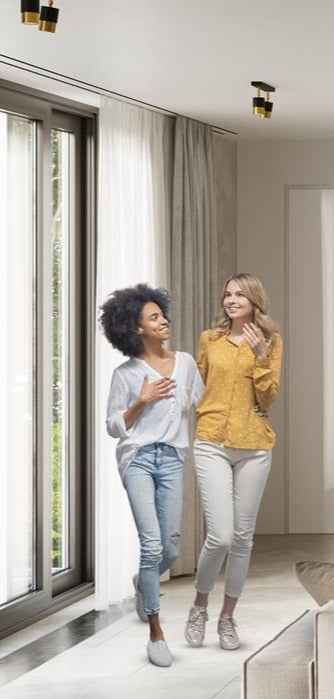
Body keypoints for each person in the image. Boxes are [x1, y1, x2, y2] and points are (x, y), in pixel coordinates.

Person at [100, 284, 203, 668]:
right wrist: (141, 402)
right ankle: (156, 633)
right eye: (154, 317)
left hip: (173, 457)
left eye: (163, 314)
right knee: (151, 546)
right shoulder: (126, 374)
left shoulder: (186, 362)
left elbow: (198, 402)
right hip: (138, 459)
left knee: (171, 549)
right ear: (135, 328)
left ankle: (143, 584)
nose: (164, 321)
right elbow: (113, 426)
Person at [185, 273, 283, 651]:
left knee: (242, 539)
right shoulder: (210, 340)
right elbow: (197, 386)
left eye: (239, 294)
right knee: (220, 535)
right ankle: (199, 607)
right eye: (227, 294)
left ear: (255, 299)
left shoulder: (272, 342)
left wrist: (260, 359)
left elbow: (269, 396)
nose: (231, 300)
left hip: (255, 446)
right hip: (211, 441)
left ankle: (227, 617)